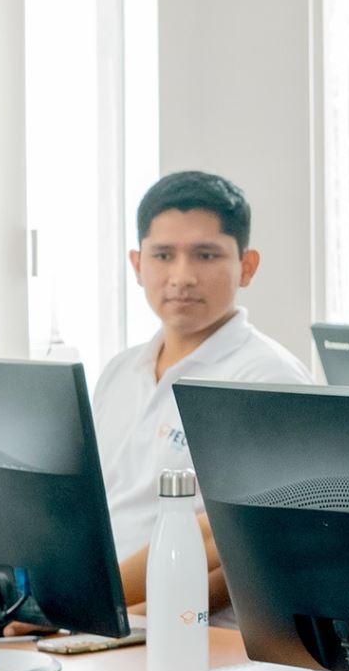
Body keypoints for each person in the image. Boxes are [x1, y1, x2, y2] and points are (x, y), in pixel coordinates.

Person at [94, 171, 311, 616]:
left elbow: (246, 540)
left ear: (246, 267)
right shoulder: (119, 371)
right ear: (137, 265)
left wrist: (112, 610)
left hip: (192, 635)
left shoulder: (267, 378)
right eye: (163, 255)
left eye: (206, 254)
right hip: (97, 621)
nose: (182, 276)